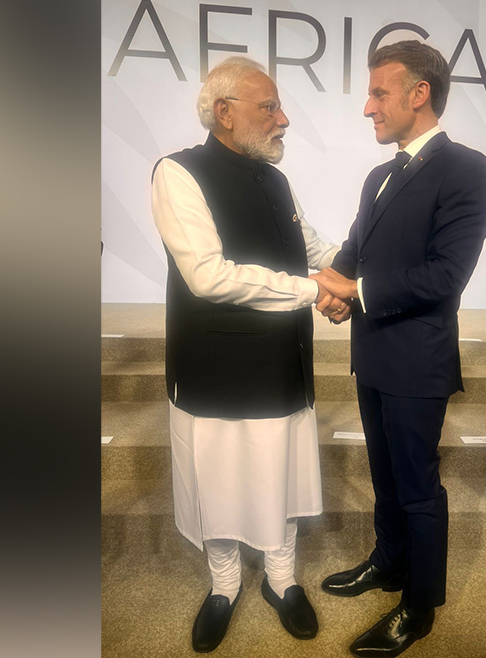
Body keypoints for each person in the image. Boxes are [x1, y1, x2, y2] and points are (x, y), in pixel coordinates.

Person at [148, 55, 350, 653]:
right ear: (224, 112)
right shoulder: (177, 173)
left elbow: (312, 244)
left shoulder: (276, 178)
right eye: (270, 108)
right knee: (218, 480)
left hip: (281, 362)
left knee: (278, 472)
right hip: (213, 368)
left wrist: (357, 276)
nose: (283, 119)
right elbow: (208, 277)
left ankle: (283, 582)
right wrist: (316, 290)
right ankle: (224, 585)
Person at [310, 40, 486, 658]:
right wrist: (332, 287)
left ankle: (418, 607)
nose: (368, 107)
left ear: (420, 94)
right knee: (386, 480)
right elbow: (354, 250)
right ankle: (387, 564)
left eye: (378, 92)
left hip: (417, 360)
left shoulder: (466, 168)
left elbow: (446, 275)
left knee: (418, 487)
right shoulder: (379, 174)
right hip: (373, 354)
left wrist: (354, 291)